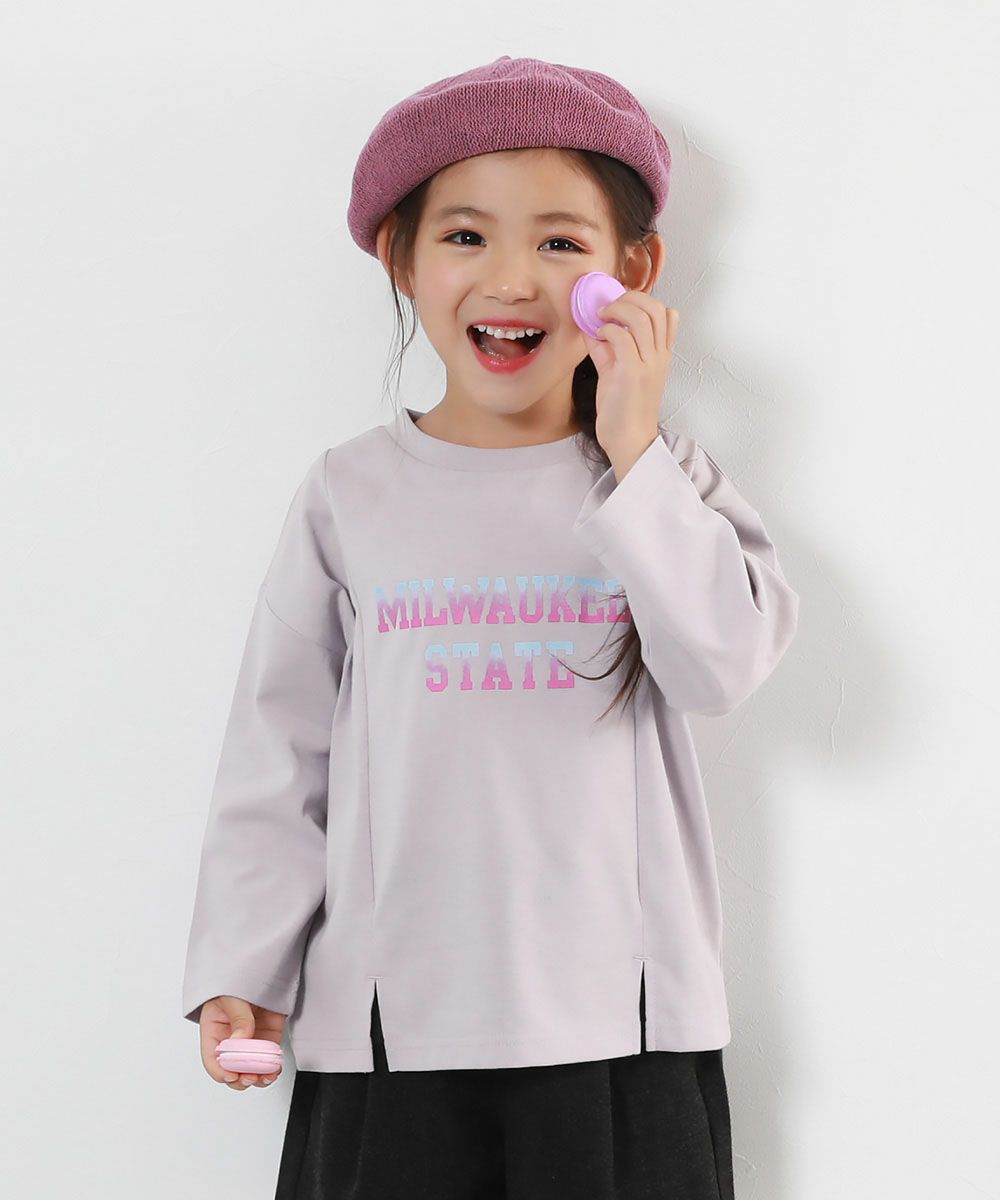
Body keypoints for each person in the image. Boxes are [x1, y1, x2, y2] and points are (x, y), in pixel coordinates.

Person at [181, 55, 800, 1200]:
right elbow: (278, 753)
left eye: (560, 242)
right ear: (400, 259)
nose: (512, 278)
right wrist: (244, 963)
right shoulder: (348, 494)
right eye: (465, 236)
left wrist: (633, 451)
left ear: (631, 274)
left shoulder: (660, 484)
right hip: (390, 1039)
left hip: (623, 1036)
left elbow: (720, 667)